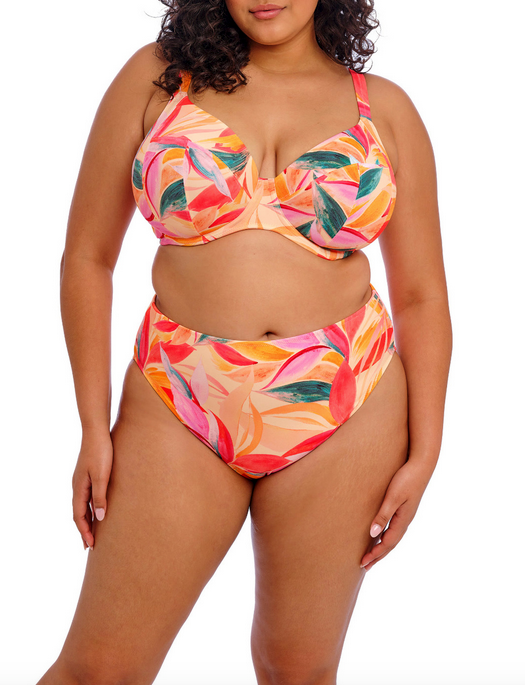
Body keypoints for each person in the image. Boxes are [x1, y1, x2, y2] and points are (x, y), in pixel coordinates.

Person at [37, 0, 452, 683]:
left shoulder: (385, 109)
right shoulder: (157, 79)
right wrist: (91, 426)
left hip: (346, 402)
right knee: (97, 670)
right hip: (180, 393)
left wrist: (427, 450)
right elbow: (86, 258)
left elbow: (421, 296)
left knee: (296, 671)